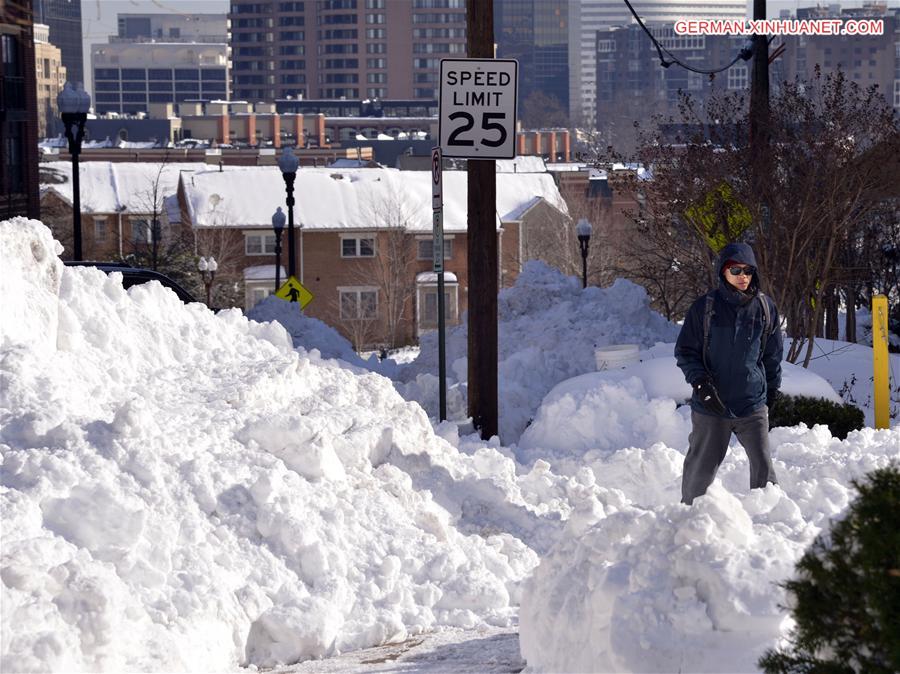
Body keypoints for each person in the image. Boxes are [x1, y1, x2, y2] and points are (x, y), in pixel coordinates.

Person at [675, 242, 784, 505]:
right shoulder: (704, 309)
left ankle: (769, 519)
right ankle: (688, 517)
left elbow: (772, 356)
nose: (743, 276)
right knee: (699, 472)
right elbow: (685, 352)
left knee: (764, 471)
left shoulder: (765, 308)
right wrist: (701, 386)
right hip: (712, 405)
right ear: (723, 272)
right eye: (735, 270)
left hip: (751, 404)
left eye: (748, 270)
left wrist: (770, 394)